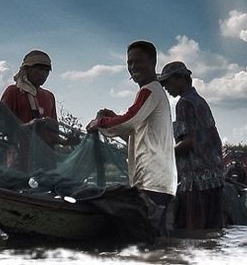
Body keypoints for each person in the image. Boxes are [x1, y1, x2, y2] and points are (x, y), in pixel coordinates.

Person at [87, 40, 177, 237]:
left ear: (153, 62)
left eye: (138, 61)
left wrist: (99, 123)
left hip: (152, 182)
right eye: (130, 63)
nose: (133, 67)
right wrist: (111, 117)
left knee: (147, 242)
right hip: (160, 182)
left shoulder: (149, 90)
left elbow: (128, 121)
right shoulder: (154, 92)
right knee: (158, 243)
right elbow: (135, 131)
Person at [159, 60, 225, 231]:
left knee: (193, 231)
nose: (166, 87)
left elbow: (188, 142)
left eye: (168, 82)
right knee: (213, 230)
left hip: (195, 181)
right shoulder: (200, 101)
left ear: (181, 79)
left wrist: (162, 156)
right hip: (214, 177)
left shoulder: (184, 103)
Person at [0, 49, 57, 123]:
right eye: (40, 69)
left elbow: (54, 129)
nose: (43, 74)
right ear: (27, 69)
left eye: (47, 70)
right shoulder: (13, 91)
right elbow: (2, 122)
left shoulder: (49, 96)